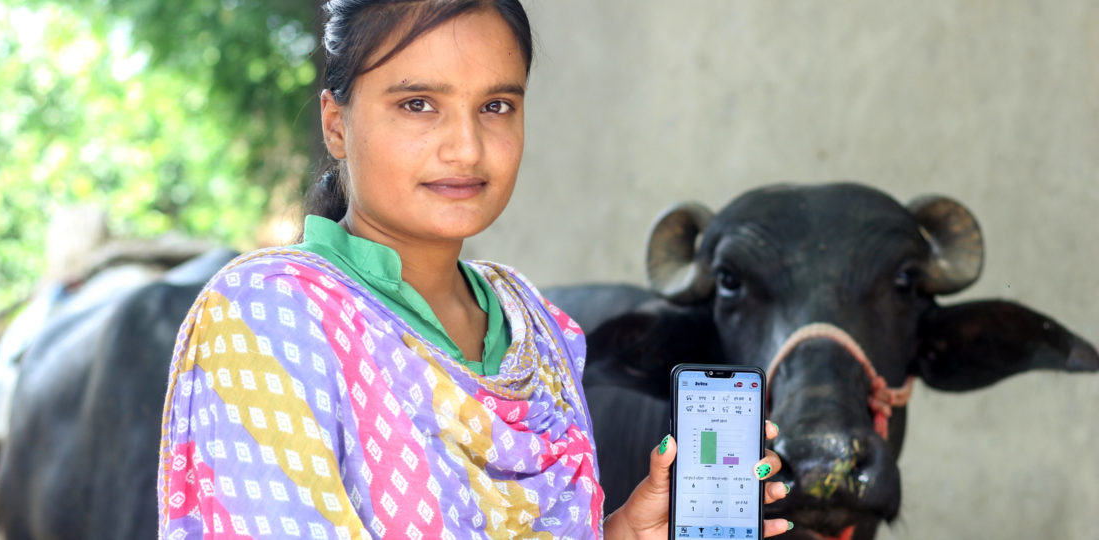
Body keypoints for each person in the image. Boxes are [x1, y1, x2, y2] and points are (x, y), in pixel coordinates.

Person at [157, 1, 790, 537]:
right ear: (336, 124)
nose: (467, 147)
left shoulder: (533, 328)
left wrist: (624, 531)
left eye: (495, 106)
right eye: (418, 104)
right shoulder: (267, 316)